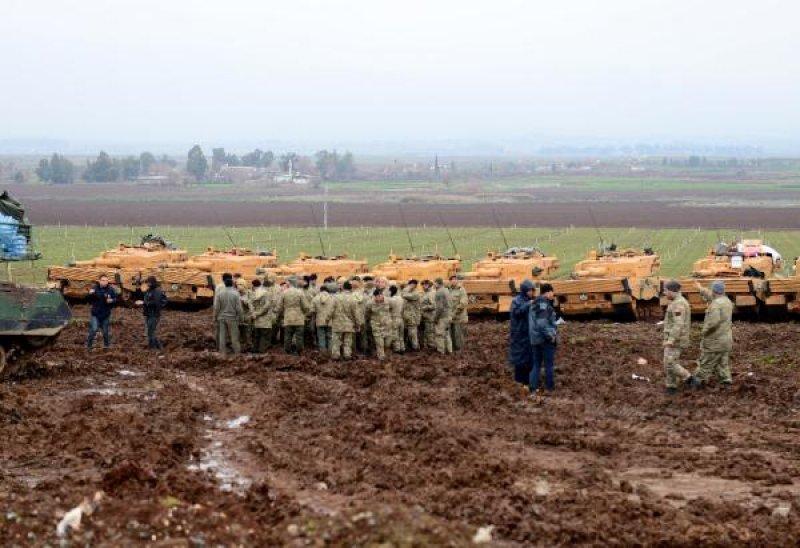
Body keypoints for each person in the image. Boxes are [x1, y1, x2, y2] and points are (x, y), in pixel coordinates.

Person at [692, 280, 734, 388]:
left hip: (714, 341)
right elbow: (711, 296)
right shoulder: (726, 301)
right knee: (722, 363)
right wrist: (700, 288)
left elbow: (713, 323)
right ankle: (726, 382)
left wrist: (704, 332)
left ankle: (696, 383)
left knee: (705, 363)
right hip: (726, 341)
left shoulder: (715, 305)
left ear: (713, 291)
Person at [662, 280, 693, 394]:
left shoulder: (678, 303)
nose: (664, 293)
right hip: (674, 338)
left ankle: (689, 378)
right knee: (669, 362)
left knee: (669, 363)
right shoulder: (676, 301)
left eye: (665, 290)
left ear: (671, 291)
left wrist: (671, 340)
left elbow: (678, 324)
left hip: (676, 339)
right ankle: (671, 386)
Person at [529, 283, 558, 393]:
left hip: (534, 338)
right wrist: (551, 336)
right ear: (548, 292)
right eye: (552, 292)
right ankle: (549, 388)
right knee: (549, 365)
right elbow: (542, 324)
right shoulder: (543, 304)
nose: (553, 294)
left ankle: (533, 388)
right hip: (544, 339)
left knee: (536, 364)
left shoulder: (534, 303)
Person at [509, 279, 535, 386]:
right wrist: (528, 304)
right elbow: (517, 312)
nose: (531, 293)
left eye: (532, 290)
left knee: (530, 359)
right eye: (529, 290)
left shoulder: (531, 300)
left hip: (530, 334)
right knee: (520, 360)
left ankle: (528, 383)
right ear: (524, 290)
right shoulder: (516, 301)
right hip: (519, 335)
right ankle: (519, 383)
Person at [276, 276, 310, 354]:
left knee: (287, 335)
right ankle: (299, 351)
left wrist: (279, 314)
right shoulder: (300, 293)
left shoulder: (284, 293)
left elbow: (279, 306)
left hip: (288, 317)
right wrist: (305, 313)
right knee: (299, 336)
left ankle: (287, 351)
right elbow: (306, 306)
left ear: (289, 283)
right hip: (299, 318)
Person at [213, 276, 244, 356]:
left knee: (222, 336)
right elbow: (239, 308)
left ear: (225, 284)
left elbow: (216, 307)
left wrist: (215, 317)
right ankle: (237, 353)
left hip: (222, 318)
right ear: (233, 284)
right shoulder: (236, 294)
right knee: (234, 337)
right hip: (232, 318)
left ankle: (222, 353)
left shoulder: (220, 294)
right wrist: (241, 318)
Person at [86, 274, 117, 350]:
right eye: (103, 280)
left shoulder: (111, 289)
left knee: (105, 332)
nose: (105, 282)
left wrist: (112, 300)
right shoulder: (94, 288)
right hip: (95, 314)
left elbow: (116, 299)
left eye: (106, 280)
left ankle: (106, 346)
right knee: (94, 329)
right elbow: (87, 299)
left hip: (105, 314)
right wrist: (90, 294)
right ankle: (89, 346)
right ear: (99, 281)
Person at [330, 281, 360, 359]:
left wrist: (327, 319)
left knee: (336, 341)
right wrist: (358, 324)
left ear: (343, 288)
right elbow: (356, 313)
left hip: (337, 323)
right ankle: (347, 354)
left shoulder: (336, 297)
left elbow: (331, 310)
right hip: (349, 324)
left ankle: (336, 355)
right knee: (348, 341)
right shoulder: (353, 299)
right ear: (351, 288)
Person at [139, 276, 167, 350]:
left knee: (151, 332)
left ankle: (154, 347)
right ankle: (157, 347)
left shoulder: (157, 291)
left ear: (152, 283)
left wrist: (144, 303)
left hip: (154, 314)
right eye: (147, 282)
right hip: (148, 314)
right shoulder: (149, 291)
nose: (147, 284)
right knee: (150, 332)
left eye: (148, 282)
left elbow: (156, 303)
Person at [366, 288, 393, 361]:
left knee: (388, 342)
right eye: (376, 297)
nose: (378, 298)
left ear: (382, 295)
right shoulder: (370, 303)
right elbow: (367, 313)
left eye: (379, 296)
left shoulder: (389, 301)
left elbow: (392, 310)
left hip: (387, 325)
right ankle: (381, 357)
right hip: (376, 325)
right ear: (374, 296)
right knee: (379, 342)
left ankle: (386, 352)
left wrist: (390, 319)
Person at [249, 279, 272, 354]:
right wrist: (259, 313)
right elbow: (267, 306)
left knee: (256, 335)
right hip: (265, 318)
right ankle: (262, 351)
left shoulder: (253, 294)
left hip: (256, 318)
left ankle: (255, 350)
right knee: (264, 335)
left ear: (253, 285)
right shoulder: (266, 293)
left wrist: (254, 314)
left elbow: (250, 304)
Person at [312, 283, 336, 353]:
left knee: (321, 336)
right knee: (330, 337)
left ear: (320, 290)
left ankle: (323, 352)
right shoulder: (333, 298)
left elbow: (312, 311)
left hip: (319, 321)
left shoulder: (315, 298)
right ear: (327, 290)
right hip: (330, 320)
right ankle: (330, 351)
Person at [448, 275, 469, 351]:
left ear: (457, 280)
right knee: (452, 334)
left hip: (459, 317)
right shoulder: (449, 290)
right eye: (451, 280)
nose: (453, 281)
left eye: (454, 279)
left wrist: (454, 313)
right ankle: (454, 348)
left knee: (458, 334)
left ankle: (460, 349)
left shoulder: (461, 290)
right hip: (451, 317)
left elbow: (463, 303)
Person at [401, 279, 422, 351]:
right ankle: (410, 347)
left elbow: (404, 295)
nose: (411, 285)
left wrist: (408, 288)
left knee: (413, 333)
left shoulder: (416, 293)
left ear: (415, 286)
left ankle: (416, 347)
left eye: (413, 284)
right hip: (407, 316)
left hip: (413, 316)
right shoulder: (409, 292)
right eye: (410, 284)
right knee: (408, 333)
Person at [433, 278, 452, 354]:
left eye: (434, 283)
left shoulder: (439, 293)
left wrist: (436, 318)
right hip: (448, 316)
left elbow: (439, 307)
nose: (434, 285)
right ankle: (449, 350)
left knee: (439, 334)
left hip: (442, 317)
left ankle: (440, 351)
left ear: (437, 283)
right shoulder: (447, 290)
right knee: (447, 334)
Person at [420, 280, 437, 349]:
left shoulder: (431, 293)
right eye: (423, 285)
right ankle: (427, 345)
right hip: (425, 316)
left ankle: (432, 346)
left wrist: (424, 308)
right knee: (426, 331)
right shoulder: (424, 293)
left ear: (429, 285)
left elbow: (434, 306)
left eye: (426, 285)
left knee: (430, 332)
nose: (424, 286)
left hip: (430, 316)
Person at [388, 284, 405, 353]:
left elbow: (388, 309)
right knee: (401, 335)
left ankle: (397, 349)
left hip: (394, 318)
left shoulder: (391, 300)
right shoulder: (401, 299)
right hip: (401, 318)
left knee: (395, 335)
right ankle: (403, 348)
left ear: (391, 291)